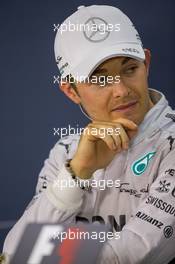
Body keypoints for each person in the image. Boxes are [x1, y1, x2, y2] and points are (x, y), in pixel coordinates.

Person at [2, 5, 175, 264]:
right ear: (71, 91)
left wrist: (42, 252)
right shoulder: (66, 150)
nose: (120, 90)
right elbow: (13, 255)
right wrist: (78, 173)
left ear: (146, 64)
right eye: (99, 79)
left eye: (129, 69)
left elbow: (128, 256)